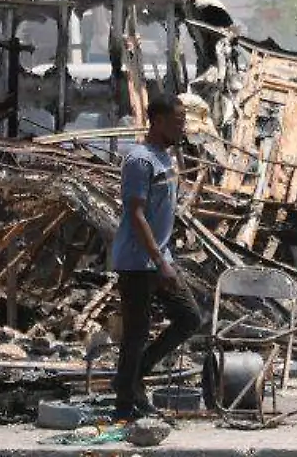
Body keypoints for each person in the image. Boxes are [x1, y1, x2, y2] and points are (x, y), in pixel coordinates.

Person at [109, 95, 201, 422]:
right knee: (136, 333)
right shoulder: (140, 161)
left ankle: (132, 379)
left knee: (190, 318)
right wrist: (160, 262)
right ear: (158, 121)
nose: (182, 127)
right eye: (177, 122)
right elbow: (135, 214)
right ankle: (124, 405)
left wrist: (165, 257)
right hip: (137, 261)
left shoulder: (166, 156)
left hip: (160, 257)